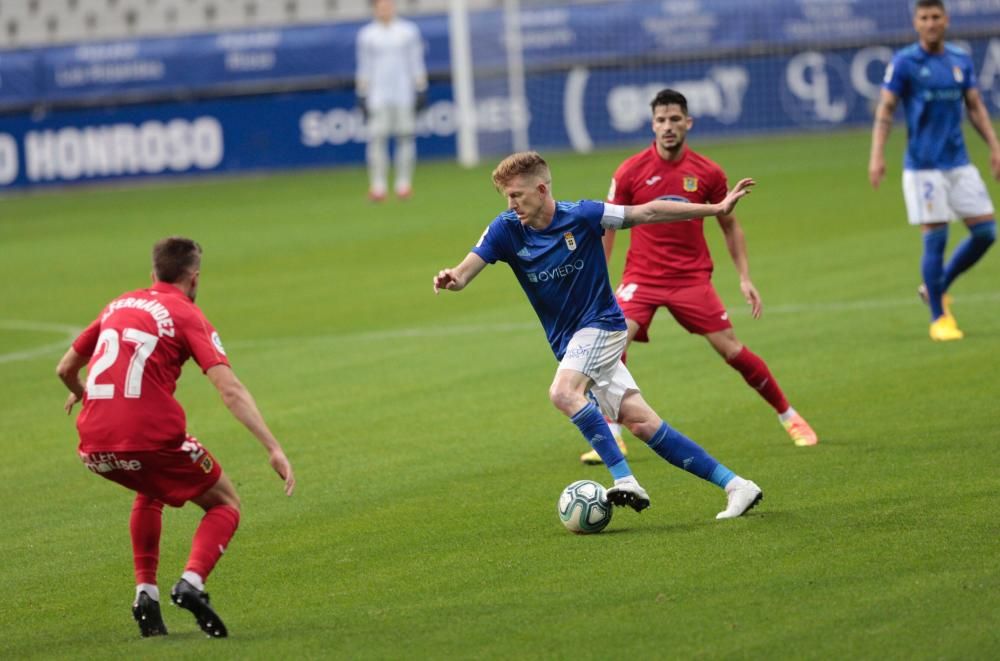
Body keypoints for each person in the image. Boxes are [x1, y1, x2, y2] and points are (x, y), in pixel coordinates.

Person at [433, 151, 763, 520]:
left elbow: (647, 212)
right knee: (641, 423)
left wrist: (716, 208)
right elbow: (464, 273)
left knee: (562, 393)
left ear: (541, 189)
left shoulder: (584, 215)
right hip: (570, 345)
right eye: (506, 197)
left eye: (516, 195)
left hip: (602, 326)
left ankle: (625, 480)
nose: (511, 204)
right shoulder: (505, 229)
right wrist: (452, 278)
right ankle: (737, 486)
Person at [55, 237, 295, 639]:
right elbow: (230, 389)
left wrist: (83, 394)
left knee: (151, 487)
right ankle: (192, 583)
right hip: (150, 439)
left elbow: (64, 369)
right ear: (195, 277)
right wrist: (272, 447)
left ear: (152, 275)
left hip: (92, 446)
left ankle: (144, 593)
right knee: (225, 503)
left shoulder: (119, 303)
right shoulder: (186, 313)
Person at [585, 88, 818, 465]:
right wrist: (601, 282)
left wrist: (744, 277)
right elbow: (608, 227)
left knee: (731, 349)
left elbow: (730, 226)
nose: (668, 127)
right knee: (612, 344)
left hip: (691, 279)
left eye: (675, 119)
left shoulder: (708, 173)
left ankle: (789, 416)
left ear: (688, 123)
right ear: (652, 125)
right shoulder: (630, 171)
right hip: (641, 277)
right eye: (661, 120)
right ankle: (614, 431)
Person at [868, 0, 999, 341]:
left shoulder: (959, 60)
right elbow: (886, 109)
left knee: (986, 232)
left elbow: (975, 107)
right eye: (924, 18)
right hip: (924, 167)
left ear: (946, 20)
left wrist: (995, 147)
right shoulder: (905, 63)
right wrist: (876, 155)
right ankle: (939, 318)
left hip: (958, 162)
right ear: (915, 23)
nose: (930, 23)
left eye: (935, 17)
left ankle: (936, 286)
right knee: (936, 239)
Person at [355, 0, 428, 202]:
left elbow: (416, 61)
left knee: (405, 137)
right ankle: (378, 186)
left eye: (388, 5)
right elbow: (364, 66)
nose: (385, 9)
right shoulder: (367, 34)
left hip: (404, 93)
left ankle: (403, 184)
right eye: (381, 6)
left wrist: (421, 87)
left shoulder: (408, 31)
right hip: (377, 95)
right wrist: (362, 92)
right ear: (375, 8)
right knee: (377, 139)